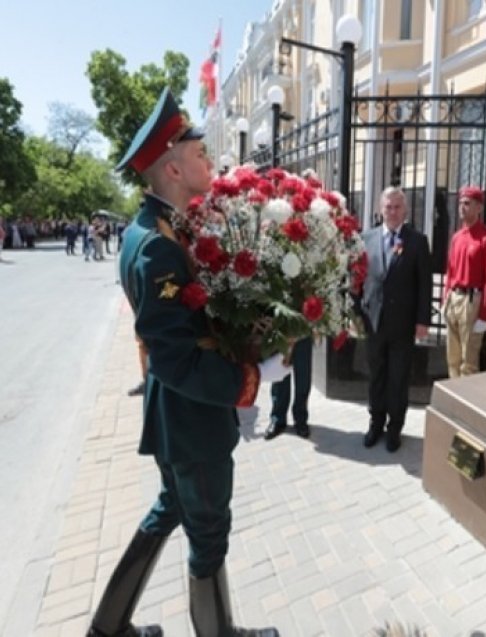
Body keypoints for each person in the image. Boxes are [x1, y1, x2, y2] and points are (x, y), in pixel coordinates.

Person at [86, 87, 288, 637]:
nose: (209, 161)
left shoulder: (160, 229)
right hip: (190, 418)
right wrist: (251, 378)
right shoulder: (157, 246)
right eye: (200, 155)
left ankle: (108, 628)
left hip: (180, 418)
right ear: (173, 168)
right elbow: (175, 359)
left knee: (170, 513)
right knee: (208, 533)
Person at [356, 186, 432, 452]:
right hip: (374, 321)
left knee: (398, 378)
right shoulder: (366, 239)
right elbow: (358, 280)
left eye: (397, 206)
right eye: (388, 206)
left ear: (406, 210)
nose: (392, 211)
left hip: (403, 325)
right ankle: (375, 423)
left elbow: (425, 285)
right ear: (380, 209)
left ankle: (394, 428)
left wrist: (423, 321)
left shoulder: (417, 241)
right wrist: (355, 313)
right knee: (376, 375)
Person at [441, 186, 486, 378]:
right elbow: (450, 271)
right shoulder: (457, 237)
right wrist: (445, 299)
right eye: (460, 203)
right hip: (454, 298)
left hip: (472, 301)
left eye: (468, 203)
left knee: (468, 360)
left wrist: (484, 314)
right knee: (453, 357)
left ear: (479, 208)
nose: (462, 207)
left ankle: (464, 400)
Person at [264, 336, 313, 440]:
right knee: (279, 375)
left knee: (303, 377)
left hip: (304, 330)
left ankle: (300, 419)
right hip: (282, 331)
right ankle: (278, 419)